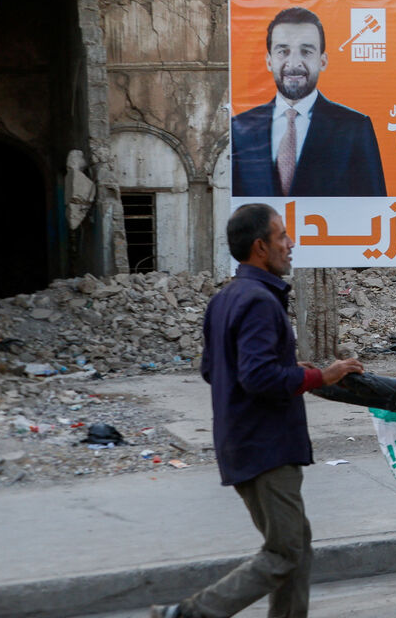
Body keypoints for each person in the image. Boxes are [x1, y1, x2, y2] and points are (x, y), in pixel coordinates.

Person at [150, 203, 364, 618]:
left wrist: (288, 370)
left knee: (296, 549)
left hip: (244, 442)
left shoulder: (227, 298)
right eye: (282, 236)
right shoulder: (260, 302)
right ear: (260, 247)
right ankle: (189, 614)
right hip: (266, 447)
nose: (291, 244)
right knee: (285, 553)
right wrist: (322, 376)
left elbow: (215, 370)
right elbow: (258, 377)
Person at [232, 7, 386, 197]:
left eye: (306, 52)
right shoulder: (240, 128)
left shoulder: (354, 127)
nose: (294, 63)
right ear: (269, 61)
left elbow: (375, 208)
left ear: (323, 61)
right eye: (283, 51)